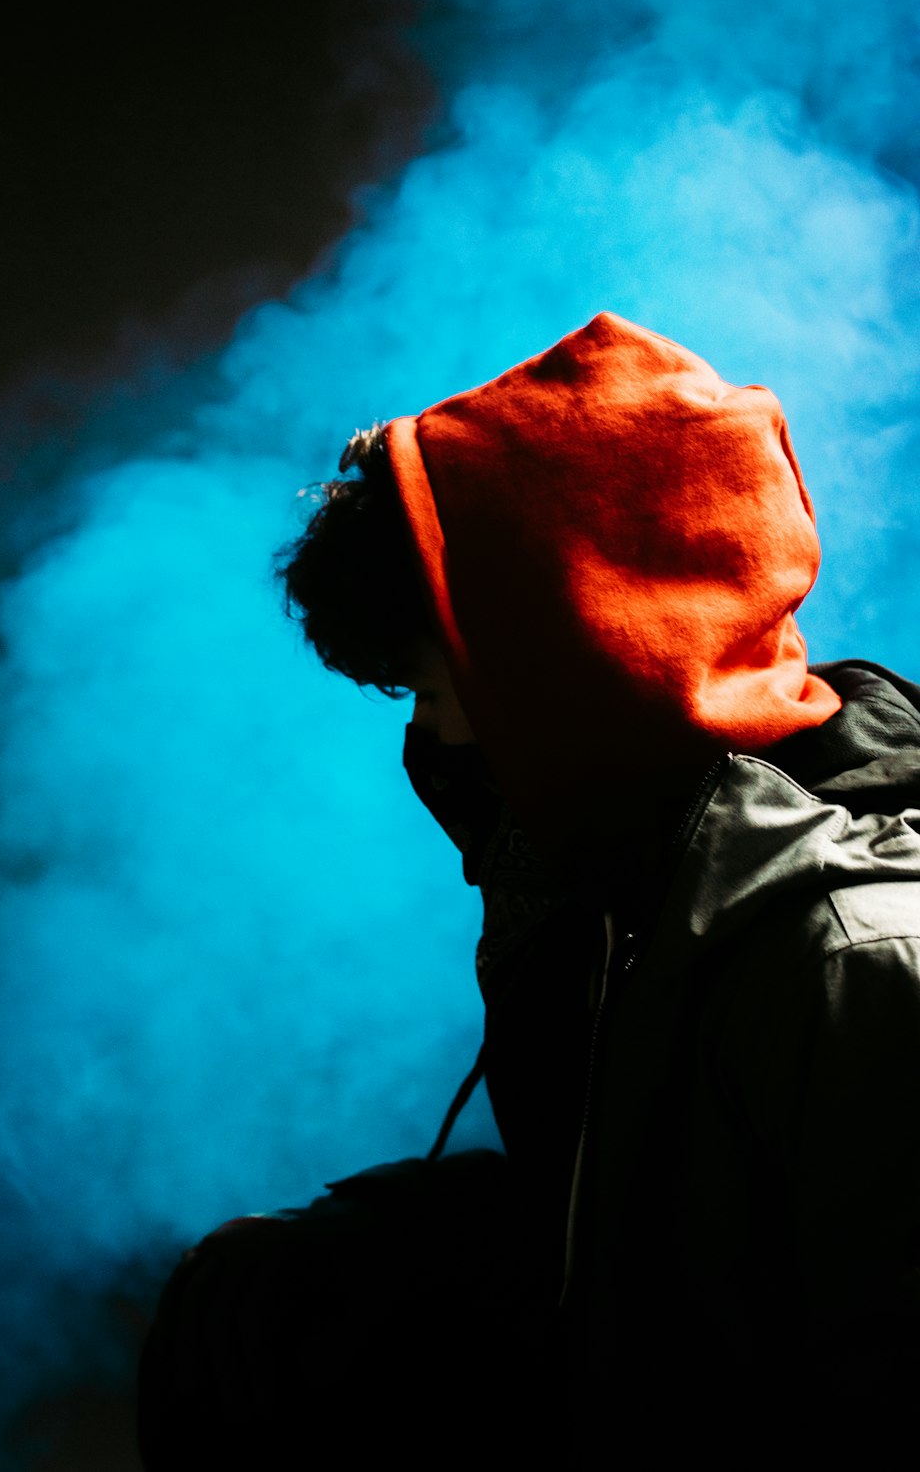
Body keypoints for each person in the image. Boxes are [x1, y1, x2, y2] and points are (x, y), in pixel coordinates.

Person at [137, 311, 920, 1465]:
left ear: (584, 649)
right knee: (269, 1301)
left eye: (438, 680)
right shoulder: (619, 898)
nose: (433, 729)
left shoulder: (861, 961)